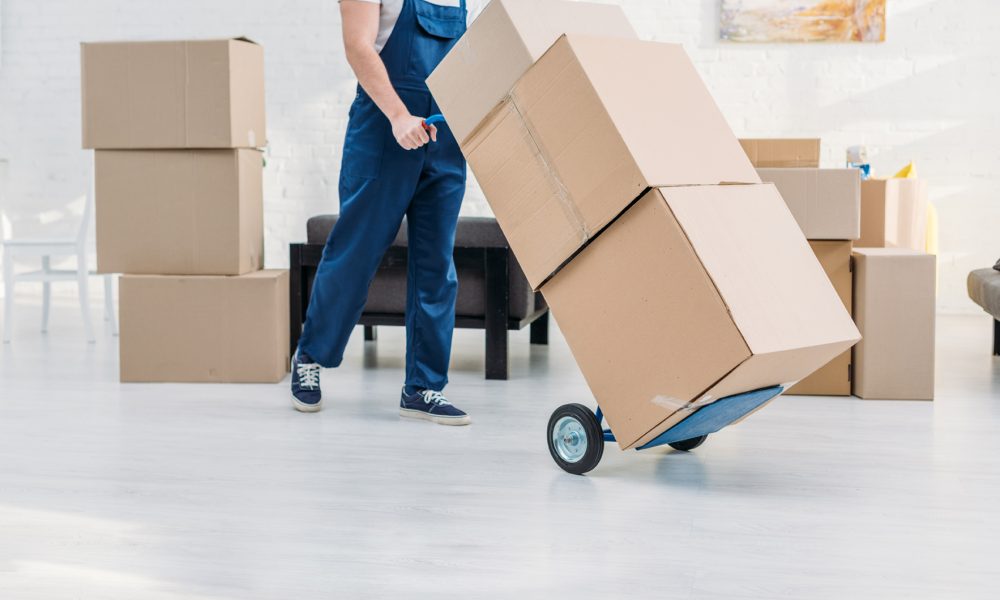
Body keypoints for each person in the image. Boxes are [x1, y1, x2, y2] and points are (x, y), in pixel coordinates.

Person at [291, 0, 482, 425]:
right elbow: (358, 46)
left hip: (442, 138)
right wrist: (398, 116)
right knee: (355, 253)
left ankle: (424, 387)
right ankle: (311, 355)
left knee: (436, 263)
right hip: (383, 130)